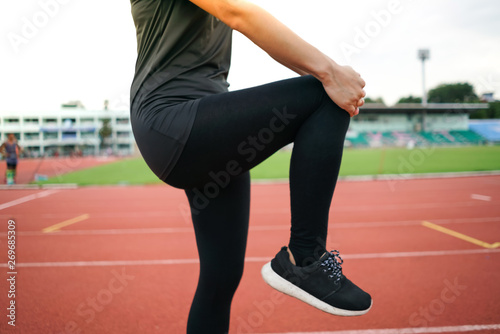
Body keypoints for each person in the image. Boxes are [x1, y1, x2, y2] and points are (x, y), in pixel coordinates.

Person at [129, 0, 372, 332]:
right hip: (172, 122)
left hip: (208, 128)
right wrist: (330, 72)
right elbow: (239, 14)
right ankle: (306, 257)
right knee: (323, 96)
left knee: (222, 277)